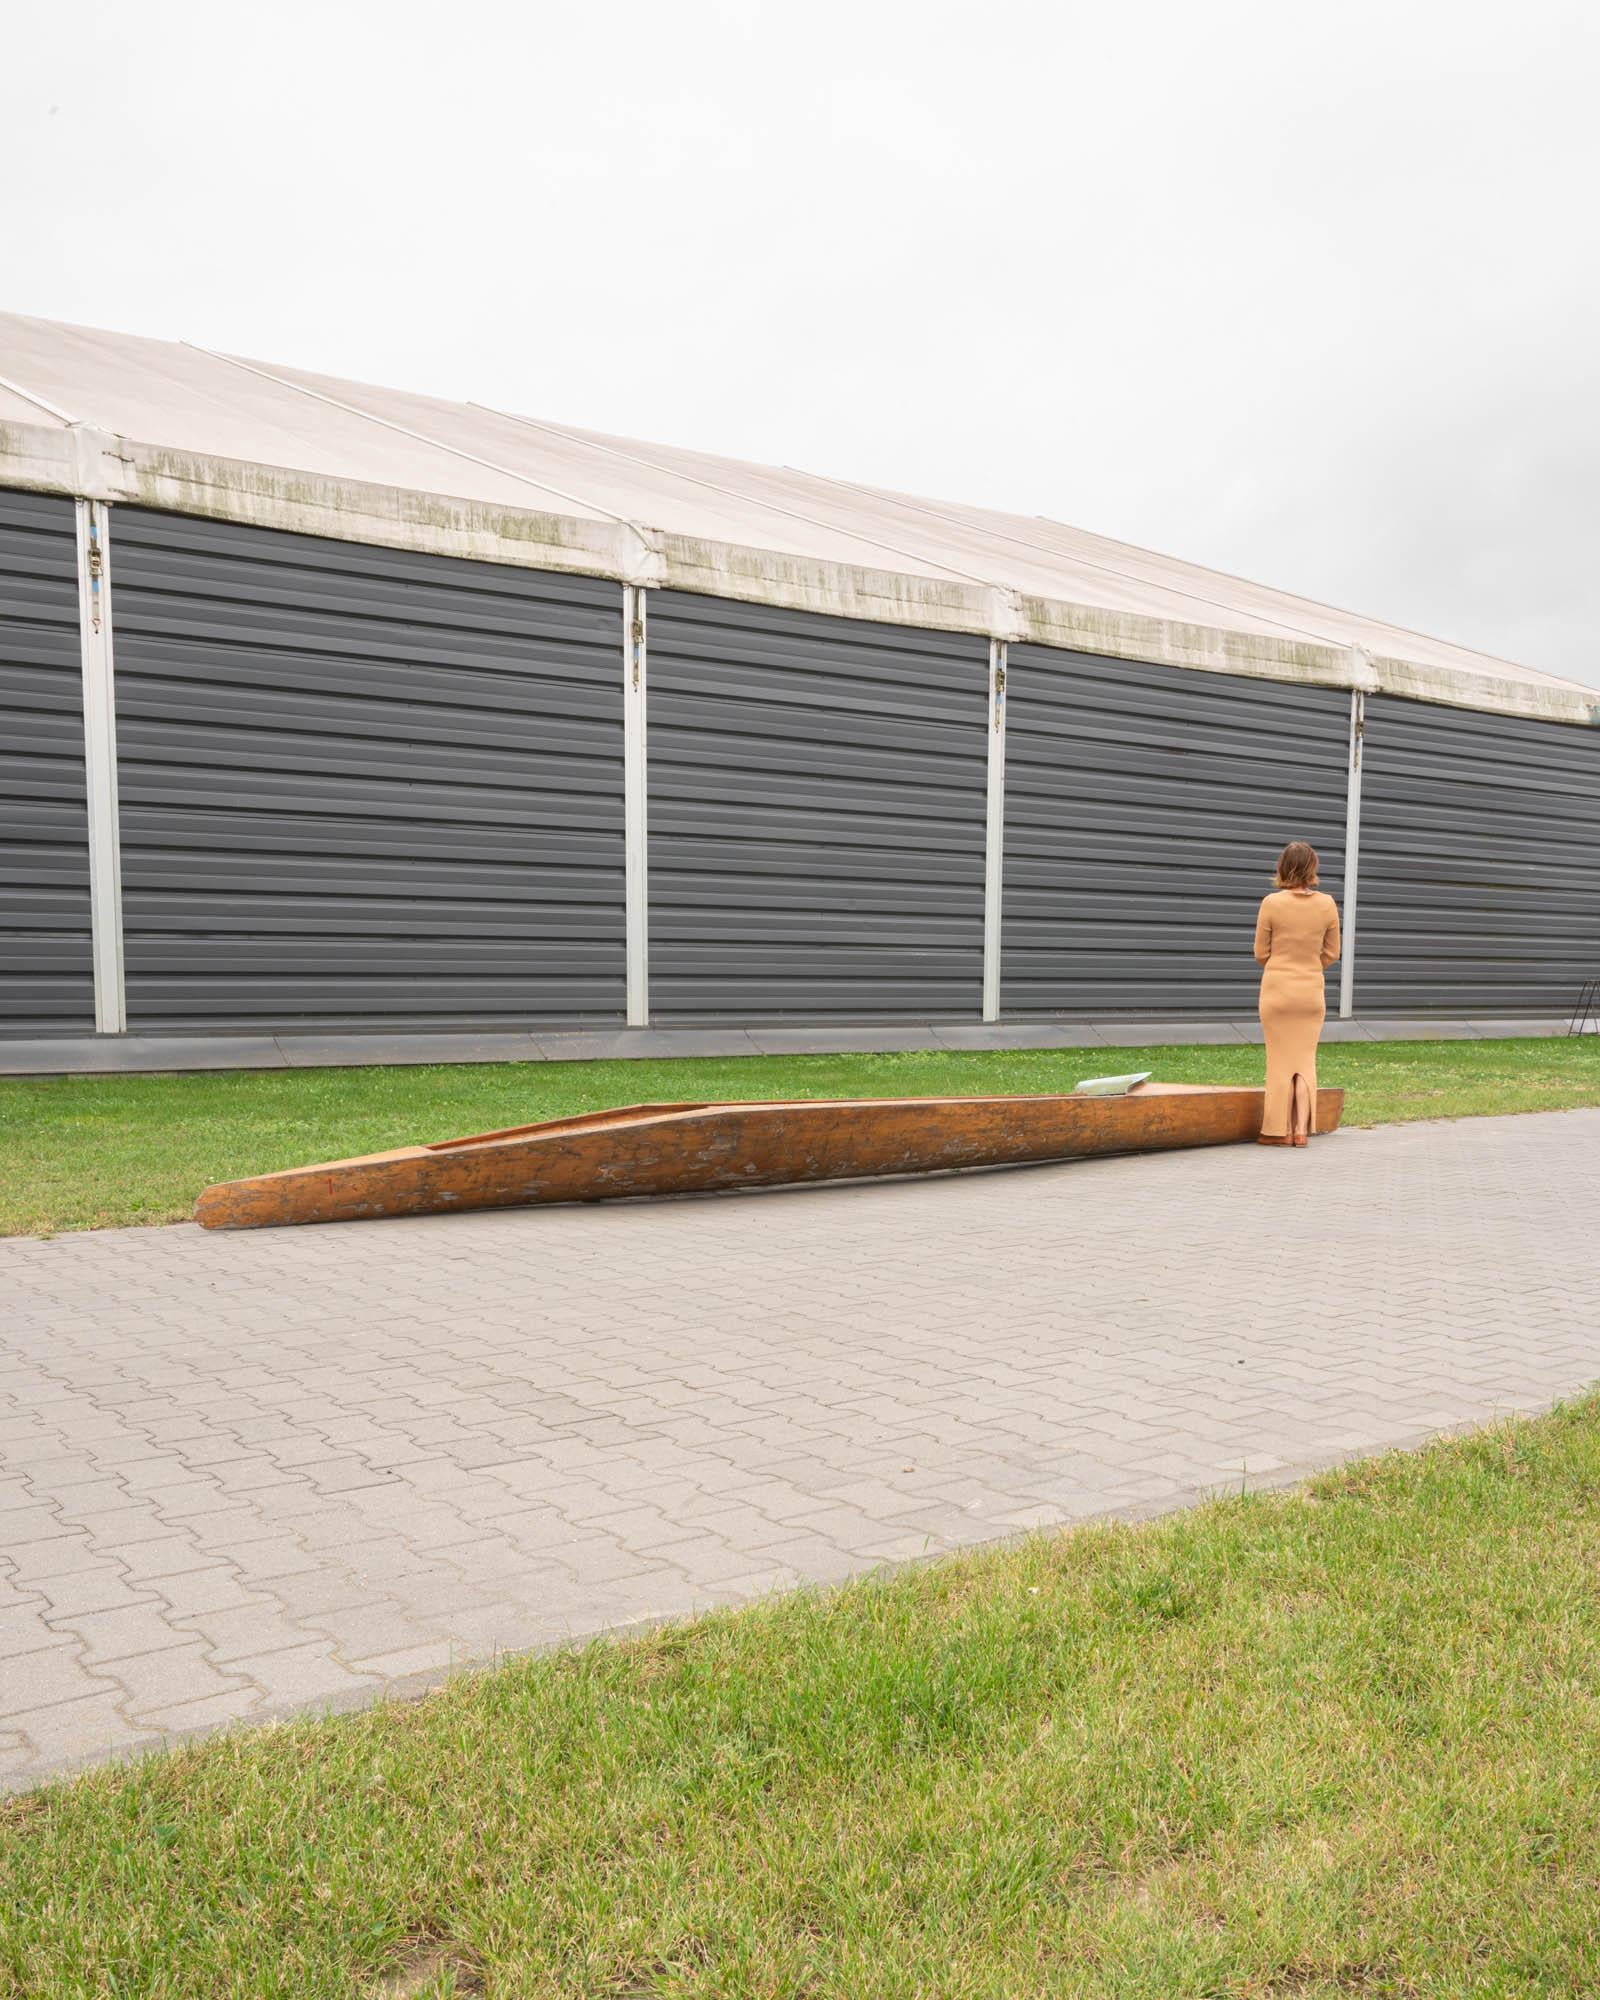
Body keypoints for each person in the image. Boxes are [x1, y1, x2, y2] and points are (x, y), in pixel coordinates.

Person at [1254, 841, 1340, 1147]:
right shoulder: (1327, 904)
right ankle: (1302, 1130)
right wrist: (1309, 966)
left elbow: (1260, 952)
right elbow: (1332, 952)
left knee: (1279, 1061)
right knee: (1305, 1060)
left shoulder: (1271, 903)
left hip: (1277, 989)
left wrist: (1281, 965)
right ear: (1313, 867)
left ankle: (1279, 1131)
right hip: (1310, 990)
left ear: (1282, 866)